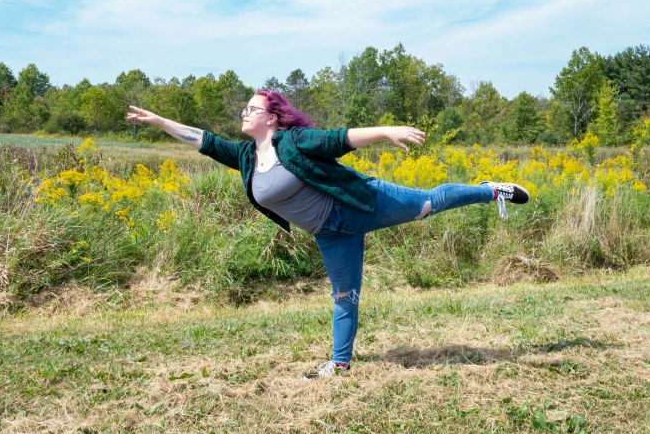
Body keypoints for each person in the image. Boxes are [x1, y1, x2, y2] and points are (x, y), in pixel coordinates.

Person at [127, 90, 530, 379]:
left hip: (360, 202)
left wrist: (386, 130)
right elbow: (204, 141)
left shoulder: (293, 141)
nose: (243, 113)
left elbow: (339, 139)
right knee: (344, 296)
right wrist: (161, 122)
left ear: (271, 117)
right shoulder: (247, 157)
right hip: (331, 234)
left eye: (251, 108)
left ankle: (491, 189)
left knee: (428, 204)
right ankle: (340, 364)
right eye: (244, 108)